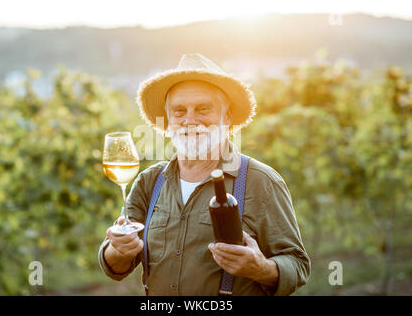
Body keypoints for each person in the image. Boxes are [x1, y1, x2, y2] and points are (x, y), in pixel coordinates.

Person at [98, 53, 311, 295]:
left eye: (203, 109)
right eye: (179, 111)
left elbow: (298, 265)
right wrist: (118, 248)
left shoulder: (261, 181)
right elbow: (114, 265)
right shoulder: (150, 181)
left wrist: (261, 268)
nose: (190, 120)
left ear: (227, 116)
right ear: (168, 121)